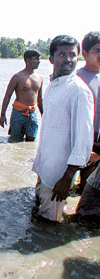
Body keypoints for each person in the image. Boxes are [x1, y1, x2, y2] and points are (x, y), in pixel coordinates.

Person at [32, 35, 94, 222]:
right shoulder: (53, 86)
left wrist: (67, 178)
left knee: (51, 224)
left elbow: (83, 140)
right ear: (51, 59)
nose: (68, 59)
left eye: (72, 55)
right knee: (40, 217)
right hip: (45, 169)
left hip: (59, 176)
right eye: (62, 55)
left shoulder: (79, 92)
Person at [0, 50, 44, 141]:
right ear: (27, 60)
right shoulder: (17, 77)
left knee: (31, 139)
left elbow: (39, 98)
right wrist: (3, 115)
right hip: (18, 113)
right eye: (36, 59)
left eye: (39, 59)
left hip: (32, 113)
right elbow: (7, 96)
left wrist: (44, 115)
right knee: (15, 140)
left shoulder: (40, 78)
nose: (39, 61)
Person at [75, 31, 100, 193]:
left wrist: (98, 151)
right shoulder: (74, 78)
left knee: (87, 187)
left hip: (97, 140)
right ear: (84, 53)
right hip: (75, 136)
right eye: (98, 51)